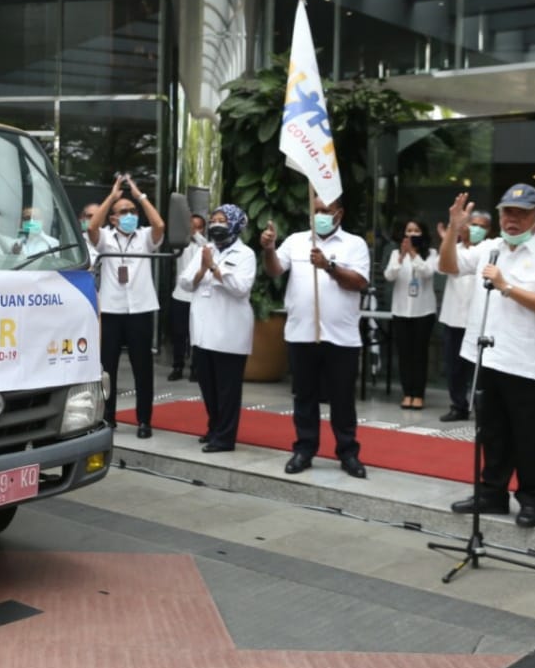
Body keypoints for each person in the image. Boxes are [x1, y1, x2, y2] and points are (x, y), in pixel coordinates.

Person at [439, 184, 535, 529]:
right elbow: (448, 265)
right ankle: (492, 493)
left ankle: (531, 500)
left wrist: (506, 287)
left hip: (528, 362)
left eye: (521, 213)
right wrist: (454, 229)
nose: (512, 220)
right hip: (488, 355)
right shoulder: (490, 248)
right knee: (492, 433)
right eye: (507, 213)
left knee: (529, 438)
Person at [259, 197, 369, 478]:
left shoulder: (354, 244)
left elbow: (359, 283)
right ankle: (304, 450)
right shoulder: (296, 241)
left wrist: (329, 266)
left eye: (326, 211)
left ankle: (348, 453)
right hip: (302, 333)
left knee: (342, 399)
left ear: (339, 214)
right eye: (316, 210)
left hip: (341, 337)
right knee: (304, 396)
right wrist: (269, 249)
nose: (320, 215)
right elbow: (274, 270)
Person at [89, 174, 165, 437]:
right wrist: (112, 196)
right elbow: (91, 228)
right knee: (108, 367)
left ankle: (145, 420)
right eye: (123, 212)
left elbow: (159, 224)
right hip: (112, 310)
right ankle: (108, 418)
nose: (130, 214)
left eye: (132, 211)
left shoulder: (144, 236)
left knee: (142, 367)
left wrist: (138, 195)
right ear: (113, 218)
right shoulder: (106, 238)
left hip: (141, 310)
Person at [179, 205, 254, 452]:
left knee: (227, 390)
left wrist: (214, 268)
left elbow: (240, 287)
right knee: (208, 386)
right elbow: (186, 283)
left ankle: (225, 437)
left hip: (229, 333)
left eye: (222, 220)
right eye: (213, 220)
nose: (215, 225)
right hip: (202, 332)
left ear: (234, 224)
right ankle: (214, 427)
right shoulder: (206, 250)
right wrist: (203, 267)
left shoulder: (246, 254)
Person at [434, 211, 491, 421]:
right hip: (454, 317)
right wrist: (447, 240)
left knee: (480, 368)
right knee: (454, 367)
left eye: (482, 226)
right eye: (473, 224)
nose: (476, 229)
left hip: (479, 322)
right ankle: (458, 405)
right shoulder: (453, 249)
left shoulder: (490, 252)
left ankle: (481, 407)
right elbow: (442, 268)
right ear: (464, 227)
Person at [383, 218, 437, 409]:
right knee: (404, 354)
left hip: (423, 312)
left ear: (422, 234)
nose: (412, 234)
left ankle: (419, 394)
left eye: (416, 231)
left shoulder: (431, 253)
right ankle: (407, 393)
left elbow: (428, 272)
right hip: (401, 311)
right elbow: (389, 276)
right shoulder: (396, 253)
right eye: (409, 231)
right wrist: (400, 258)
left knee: (419, 354)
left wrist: (414, 254)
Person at [167, 213, 206, 381]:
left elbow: (206, 245)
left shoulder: (205, 246)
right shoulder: (181, 245)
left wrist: (195, 233)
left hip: (199, 297)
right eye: (191, 225)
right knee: (179, 334)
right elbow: (174, 244)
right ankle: (177, 366)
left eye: (198, 226)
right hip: (180, 296)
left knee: (197, 335)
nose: (193, 229)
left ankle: (196, 369)